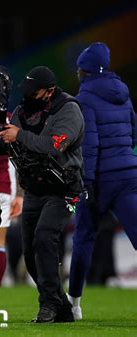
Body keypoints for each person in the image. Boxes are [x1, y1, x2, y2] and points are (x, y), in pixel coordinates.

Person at [0, 65, 84, 323]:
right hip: (35, 189)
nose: (28, 95)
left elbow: (54, 145)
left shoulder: (69, 110)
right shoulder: (22, 111)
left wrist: (19, 134)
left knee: (44, 237)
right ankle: (60, 306)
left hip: (64, 190)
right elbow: (14, 144)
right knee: (29, 253)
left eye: (34, 91)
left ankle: (48, 306)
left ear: (49, 91)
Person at [68, 42, 137, 320]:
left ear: (83, 70)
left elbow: (90, 144)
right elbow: (133, 130)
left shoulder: (85, 97)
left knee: (83, 239)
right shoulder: (124, 92)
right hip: (128, 173)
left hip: (99, 178)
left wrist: (86, 181)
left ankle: (74, 305)